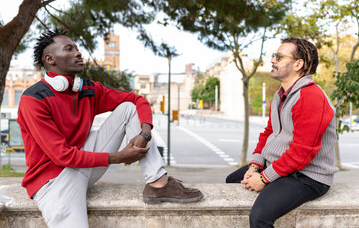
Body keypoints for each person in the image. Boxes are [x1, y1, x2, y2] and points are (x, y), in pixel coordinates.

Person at [17, 29, 203, 228]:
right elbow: (62, 156)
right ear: (50, 59)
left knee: (128, 109)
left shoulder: (87, 89)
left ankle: (158, 183)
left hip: (84, 164)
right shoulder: (34, 99)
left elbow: (137, 100)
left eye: (78, 49)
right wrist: (119, 156)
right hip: (53, 180)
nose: (78, 53)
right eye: (69, 49)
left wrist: (144, 133)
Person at [226, 37, 339, 227]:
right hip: (283, 166)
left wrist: (264, 178)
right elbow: (269, 133)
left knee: (260, 216)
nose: (273, 60)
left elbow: (302, 153)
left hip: (308, 175)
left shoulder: (311, 97)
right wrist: (255, 165)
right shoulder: (280, 96)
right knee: (231, 181)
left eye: (279, 56)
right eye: (273, 56)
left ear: (298, 64)